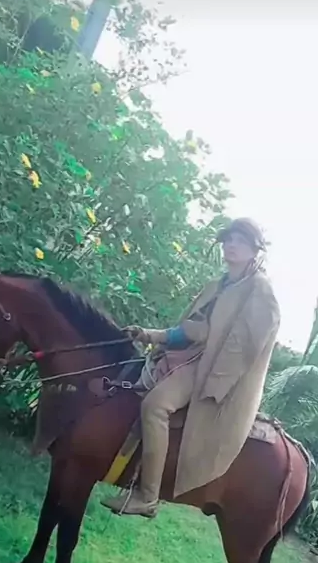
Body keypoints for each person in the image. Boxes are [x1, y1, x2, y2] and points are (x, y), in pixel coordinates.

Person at [102, 217, 281, 517]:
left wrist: (217, 382)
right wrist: (149, 334)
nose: (232, 245)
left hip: (216, 370)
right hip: (191, 357)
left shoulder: (260, 290)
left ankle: (147, 497)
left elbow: (246, 346)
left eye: (240, 241)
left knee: (155, 406)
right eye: (229, 239)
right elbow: (189, 330)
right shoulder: (217, 285)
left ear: (255, 250)